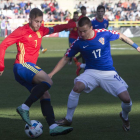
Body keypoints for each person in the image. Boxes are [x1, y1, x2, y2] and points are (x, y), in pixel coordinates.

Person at [48, 16, 140, 132]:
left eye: (84, 31)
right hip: (91, 72)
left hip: (109, 72)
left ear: (91, 28)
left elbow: (120, 35)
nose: (81, 34)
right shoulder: (78, 42)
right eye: (79, 31)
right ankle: (68, 118)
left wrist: (137, 47)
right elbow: (66, 58)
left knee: (127, 99)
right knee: (77, 87)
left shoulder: (104, 33)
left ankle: (124, 117)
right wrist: (51, 74)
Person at [0, 8, 77, 136]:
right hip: (22, 66)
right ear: (29, 19)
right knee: (48, 80)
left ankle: (52, 126)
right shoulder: (21, 31)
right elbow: (3, 45)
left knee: (45, 95)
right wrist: (1, 66)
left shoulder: (41, 30)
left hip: (27, 69)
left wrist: (73, 24)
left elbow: (56, 28)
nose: (38, 24)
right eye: (36, 21)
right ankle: (24, 107)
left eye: (40, 21)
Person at [75, 5, 109, 76]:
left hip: (102, 45)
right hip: (92, 44)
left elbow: (105, 32)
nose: (100, 13)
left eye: (102, 11)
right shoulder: (92, 22)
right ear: (96, 12)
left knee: (100, 61)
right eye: (99, 11)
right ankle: (86, 75)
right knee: (91, 61)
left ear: (104, 12)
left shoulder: (106, 22)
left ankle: (81, 67)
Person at [73, 6, 87, 74]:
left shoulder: (86, 18)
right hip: (82, 38)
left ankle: (80, 65)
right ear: (81, 11)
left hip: (86, 37)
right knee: (85, 52)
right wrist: (80, 36)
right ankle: (82, 68)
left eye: (85, 10)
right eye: (83, 10)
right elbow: (79, 28)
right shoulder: (80, 18)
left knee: (85, 52)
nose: (84, 11)